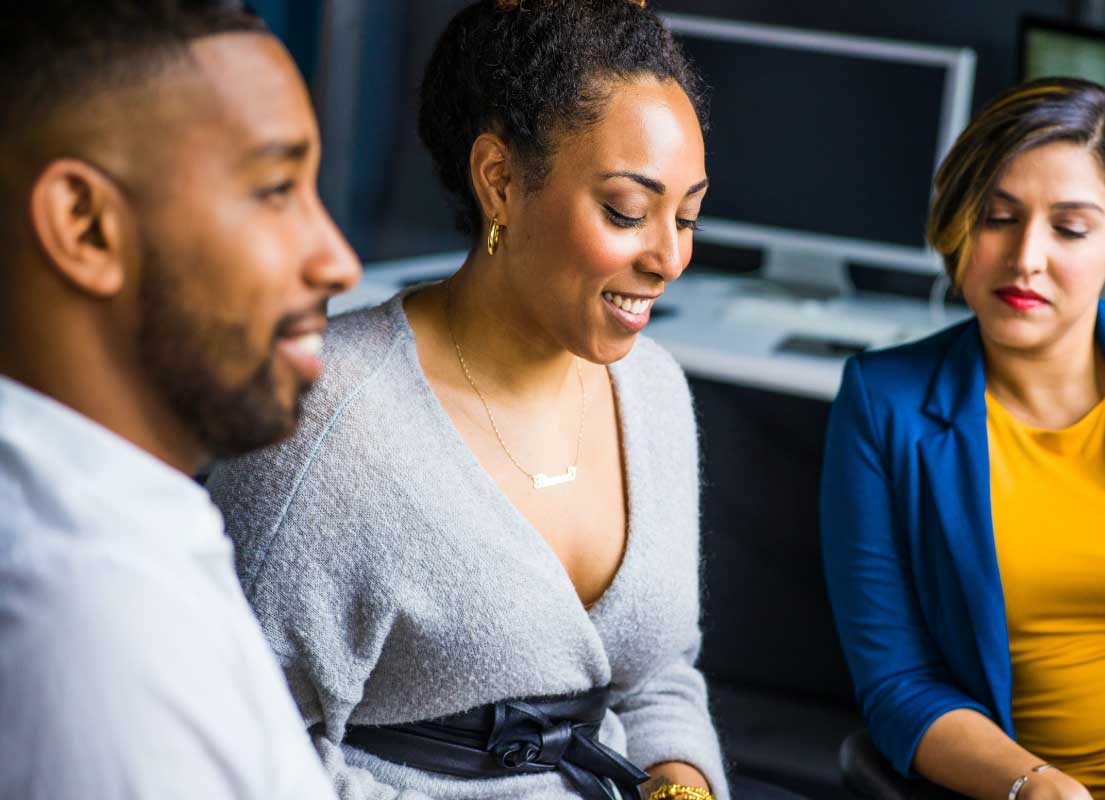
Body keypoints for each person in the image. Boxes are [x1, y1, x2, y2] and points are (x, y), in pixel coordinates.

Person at [205, 1, 737, 799]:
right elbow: (234, 748)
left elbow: (660, 675)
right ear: (500, 180)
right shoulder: (326, 422)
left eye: (687, 215)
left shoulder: (654, 390)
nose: (669, 257)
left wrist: (683, 778)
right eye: (628, 211)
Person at [0, 2, 360, 798]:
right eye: (275, 189)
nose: (338, 260)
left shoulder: (112, 528)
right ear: (87, 226)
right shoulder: (91, 625)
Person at [821, 76, 1105, 800]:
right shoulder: (883, 405)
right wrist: (1034, 786)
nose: (1026, 257)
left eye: (1070, 228)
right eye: (998, 217)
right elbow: (898, 684)